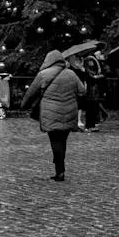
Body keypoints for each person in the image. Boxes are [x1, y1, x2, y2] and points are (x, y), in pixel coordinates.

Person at [21, 49, 85, 181]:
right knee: (62, 141)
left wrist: (24, 105)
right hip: (69, 112)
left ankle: (59, 171)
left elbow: (31, 93)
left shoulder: (43, 74)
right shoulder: (71, 74)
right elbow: (82, 91)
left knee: (55, 141)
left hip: (50, 113)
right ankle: (60, 169)